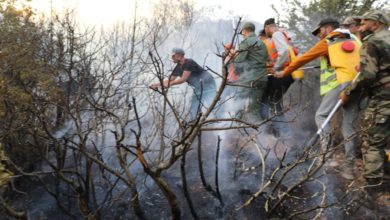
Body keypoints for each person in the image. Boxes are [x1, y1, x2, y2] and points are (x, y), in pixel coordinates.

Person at [276, 18, 361, 180]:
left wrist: (284, 72)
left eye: (320, 31)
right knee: (349, 125)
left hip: (340, 84)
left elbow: (304, 58)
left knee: (321, 115)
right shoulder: (355, 38)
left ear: (328, 28)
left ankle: (326, 158)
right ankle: (349, 167)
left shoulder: (329, 41)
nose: (318, 36)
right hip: (358, 84)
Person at [340, 10, 390, 188]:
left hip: (383, 100)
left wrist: (348, 91)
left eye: (363, 23)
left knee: (372, 144)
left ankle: (373, 187)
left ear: (375, 24)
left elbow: (367, 75)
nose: (360, 27)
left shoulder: (373, 41)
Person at [149, 48, 216, 120]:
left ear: (179, 56)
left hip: (208, 84)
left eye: (173, 56)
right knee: (194, 106)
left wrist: (169, 84)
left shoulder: (189, 62)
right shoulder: (178, 67)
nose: (172, 58)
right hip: (198, 87)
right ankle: (193, 123)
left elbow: (183, 79)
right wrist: (157, 85)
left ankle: (221, 118)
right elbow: (170, 79)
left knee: (213, 103)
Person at [262, 18, 295, 136]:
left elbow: (284, 51)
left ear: (267, 27)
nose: (265, 33)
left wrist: (276, 67)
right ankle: (280, 131)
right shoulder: (284, 34)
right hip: (286, 73)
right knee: (274, 100)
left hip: (282, 73)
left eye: (265, 30)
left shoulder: (276, 34)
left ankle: (282, 132)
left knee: (273, 101)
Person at [233, 22, 269, 121]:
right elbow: (266, 58)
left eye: (242, 32)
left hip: (249, 79)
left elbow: (239, 61)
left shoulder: (246, 43)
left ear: (245, 31)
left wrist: (235, 62)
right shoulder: (262, 43)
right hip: (262, 78)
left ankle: (235, 128)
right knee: (255, 108)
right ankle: (259, 134)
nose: (242, 34)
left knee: (237, 103)